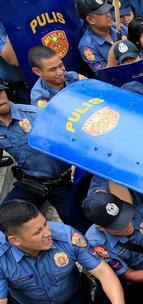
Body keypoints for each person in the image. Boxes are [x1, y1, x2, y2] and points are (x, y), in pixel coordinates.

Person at [0, 200, 127, 304]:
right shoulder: (2, 257)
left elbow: (103, 271)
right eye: (38, 232)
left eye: (45, 224)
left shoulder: (68, 237)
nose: (47, 232)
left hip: (72, 300)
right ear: (15, 240)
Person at [0, 83, 75, 223]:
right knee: (6, 217)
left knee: (77, 222)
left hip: (62, 182)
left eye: (0, 92)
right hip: (31, 182)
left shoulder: (36, 114)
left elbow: (70, 139)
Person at [83, 191, 143, 286]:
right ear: (100, 228)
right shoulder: (98, 245)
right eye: (118, 225)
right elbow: (129, 275)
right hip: (141, 280)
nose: (128, 225)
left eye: (125, 217)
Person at [77, 0, 127, 72]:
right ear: (90, 19)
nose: (109, 15)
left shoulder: (119, 27)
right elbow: (105, 75)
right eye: (103, 13)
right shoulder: (87, 46)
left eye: (108, 11)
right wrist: (114, 51)